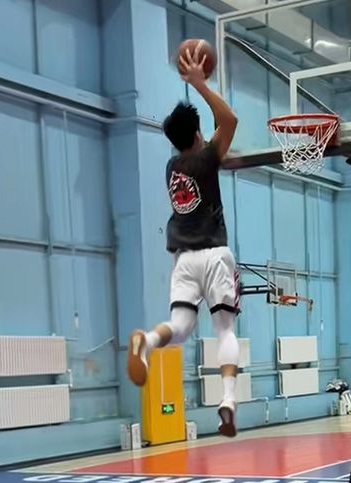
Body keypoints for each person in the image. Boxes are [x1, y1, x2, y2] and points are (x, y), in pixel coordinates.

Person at [127, 43, 240, 438]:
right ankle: (228, 400)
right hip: (214, 254)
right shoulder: (206, 158)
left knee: (180, 326)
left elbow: (211, 143)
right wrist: (199, 83)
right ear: (196, 133)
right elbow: (230, 120)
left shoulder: (172, 165)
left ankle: (147, 342)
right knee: (225, 330)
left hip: (183, 259)